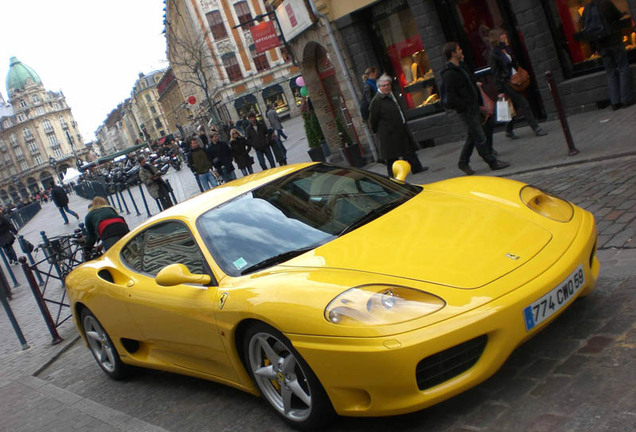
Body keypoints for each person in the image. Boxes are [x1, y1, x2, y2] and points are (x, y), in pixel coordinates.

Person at [442, 42, 510, 175]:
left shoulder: (462, 67)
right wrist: (465, 106)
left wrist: (479, 103)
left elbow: (470, 85)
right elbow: (452, 97)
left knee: (473, 135)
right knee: (479, 136)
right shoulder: (449, 74)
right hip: (467, 110)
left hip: (474, 106)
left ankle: (463, 162)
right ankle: (492, 162)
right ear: (453, 54)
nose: (461, 51)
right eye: (458, 50)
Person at [488, 28, 548, 138]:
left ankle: (508, 129)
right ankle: (536, 127)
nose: (505, 35)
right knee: (524, 104)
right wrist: (500, 91)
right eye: (502, 34)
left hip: (515, 79)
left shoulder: (506, 49)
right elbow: (495, 73)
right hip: (507, 83)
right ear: (497, 38)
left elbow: (512, 63)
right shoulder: (493, 55)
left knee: (515, 105)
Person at [368, 73, 428, 178]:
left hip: (400, 128)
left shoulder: (392, 95)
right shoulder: (376, 101)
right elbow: (373, 119)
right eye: (384, 86)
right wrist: (380, 130)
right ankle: (392, 177)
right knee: (391, 157)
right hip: (388, 133)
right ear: (379, 87)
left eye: (388, 85)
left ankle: (417, 168)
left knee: (408, 150)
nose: (386, 87)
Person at [582, 0, 632, 110]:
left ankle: (615, 102)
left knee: (610, 72)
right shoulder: (606, 3)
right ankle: (625, 99)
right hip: (614, 40)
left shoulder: (587, 9)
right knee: (623, 67)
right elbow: (617, 15)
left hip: (601, 46)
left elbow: (585, 27)